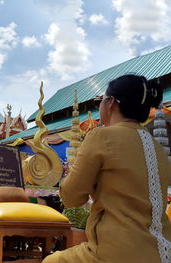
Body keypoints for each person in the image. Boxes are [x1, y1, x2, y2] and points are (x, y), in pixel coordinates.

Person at [43, 74, 171, 263]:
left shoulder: (101, 136)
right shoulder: (158, 148)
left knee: (51, 262)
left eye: (100, 102)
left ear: (111, 103)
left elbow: (71, 198)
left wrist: (69, 174)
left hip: (117, 251)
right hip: (163, 251)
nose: (99, 107)